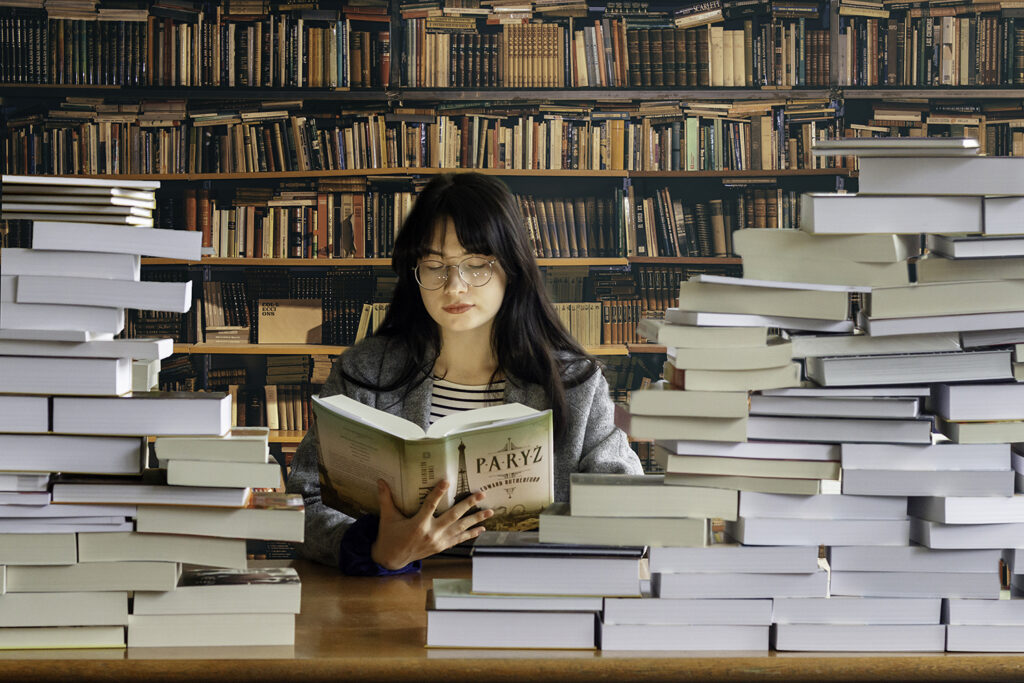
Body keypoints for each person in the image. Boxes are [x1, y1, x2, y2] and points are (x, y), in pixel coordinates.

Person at [286, 172, 643, 576]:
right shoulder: (364, 374)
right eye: (434, 266)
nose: (454, 286)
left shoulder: (575, 384)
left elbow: (627, 504)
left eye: (476, 265)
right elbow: (301, 504)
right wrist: (374, 548)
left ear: (512, 267)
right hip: (391, 596)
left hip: (528, 592)